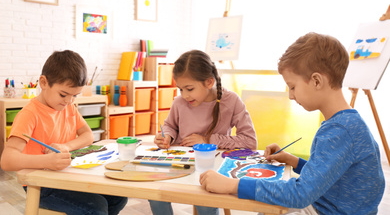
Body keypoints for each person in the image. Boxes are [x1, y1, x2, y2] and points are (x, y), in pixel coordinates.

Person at [199, 32, 385, 215]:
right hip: (328, 204)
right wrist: (293, 161)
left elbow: (301, 194)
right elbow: (328, 175)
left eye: (293, 87)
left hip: (327, 210)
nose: (290, 95)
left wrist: (233, 185)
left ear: (316, 81)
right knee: (269, 205)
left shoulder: (340, 130)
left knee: (268, 205)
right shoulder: (346, 122)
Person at [1, 50, 128, 215]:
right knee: (95, 208)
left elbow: (88, 135)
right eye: (63, 94)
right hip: (41, 185)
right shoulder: (29, 114)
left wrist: (66, 146)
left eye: (75, 95)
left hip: (67, 177)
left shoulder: (69, 107)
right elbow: (7, 161)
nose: (69, 101)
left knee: (118, 197)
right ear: (43, 83)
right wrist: (47, 161)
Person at [149, 49, 257, 215]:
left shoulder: (231, 101)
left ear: (209, 82)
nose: (184, 95)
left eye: (189, 89)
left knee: (204, 201)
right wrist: (167, 136)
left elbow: (249, 141)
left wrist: (207, 140)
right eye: (180, 89)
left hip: (211, 167)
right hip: (179, 162)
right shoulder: (179, 103)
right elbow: (170, 125)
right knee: (154, 192)